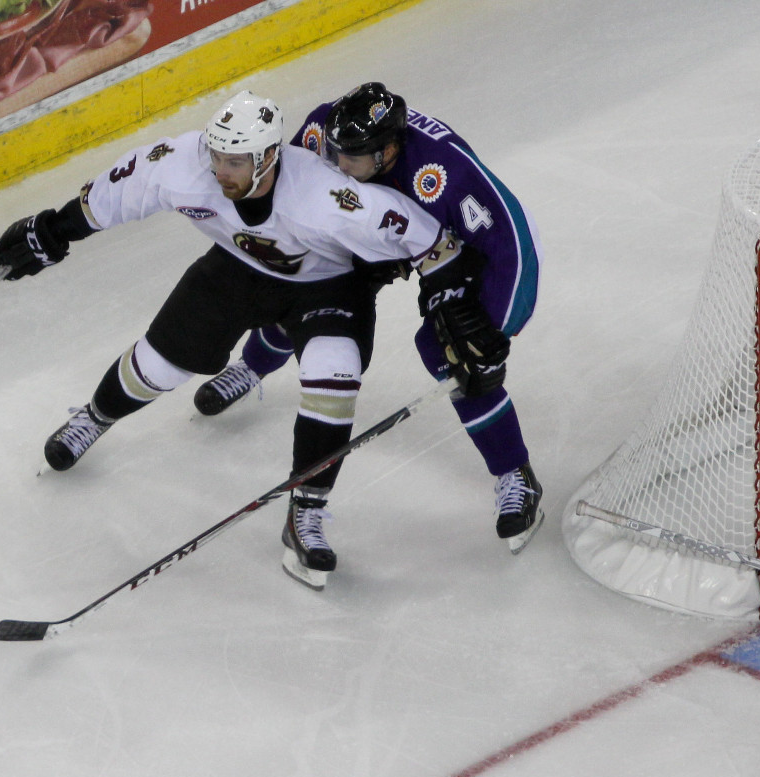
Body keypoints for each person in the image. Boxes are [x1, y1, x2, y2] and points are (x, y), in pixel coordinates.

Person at [0, 90, 480, 590]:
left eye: (235, 161)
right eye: (217, 155)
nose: (220, 170)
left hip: (326, 287)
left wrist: (453, 307)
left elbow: (434, 243)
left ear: (268, 158)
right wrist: (54, 230)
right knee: (157, 367)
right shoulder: (184, 165)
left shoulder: (328, 198)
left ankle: (306, 511)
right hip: (235, 271)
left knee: (335, 373)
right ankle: (96, 416)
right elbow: (121, 189)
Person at [192, 82, 545, 554]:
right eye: (335, 152)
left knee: (453, 351)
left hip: (448, 251)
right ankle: (251, 367)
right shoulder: (325, 128)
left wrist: (495, 335)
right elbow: (288, 187)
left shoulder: (445, 172)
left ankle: (515, 474)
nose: (337, 165)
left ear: (388, 151)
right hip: (367, 231)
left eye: (351, 158)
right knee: (305, 289)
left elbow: (514, 244)